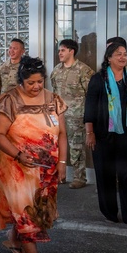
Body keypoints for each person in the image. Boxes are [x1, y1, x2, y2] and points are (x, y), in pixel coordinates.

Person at [0, 56, 68, 253]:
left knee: (36, 207)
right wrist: (19, 155)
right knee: (25, 211)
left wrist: (62, 162)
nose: (36, 86)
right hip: (16, 167)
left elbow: (62, 134)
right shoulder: (8, 101)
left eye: (40, 81)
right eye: (31, 82)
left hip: (46, 169)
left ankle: (14, 239)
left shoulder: (54, 100)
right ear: (21, 81)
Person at [84, 40, 127, 225]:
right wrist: (90, 133)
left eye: (125, 54)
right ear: (109, 58)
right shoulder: (98, 79)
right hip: (103, 134)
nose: (122, 57)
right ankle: (110, 212)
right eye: (118, 54)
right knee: (106, 176)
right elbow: (90, 108)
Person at [49, 38, 94, 189]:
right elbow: (54, 92)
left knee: (76, 147)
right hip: (59, 116)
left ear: (71, 51)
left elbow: (91, 95)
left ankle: (79, 177)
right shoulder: (57, 70)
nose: (59, 53)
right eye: (59, 50)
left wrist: (88, 118)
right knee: (57, 145)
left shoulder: (84, 70)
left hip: (77, 116)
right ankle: (60, 175)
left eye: (62, 50)